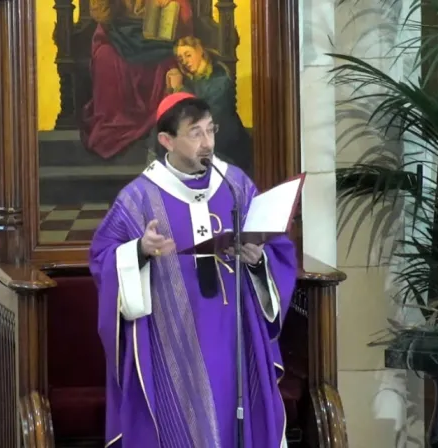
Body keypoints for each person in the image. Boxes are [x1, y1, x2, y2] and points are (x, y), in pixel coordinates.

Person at [90, 92, 297, 447]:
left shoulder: (236, 186)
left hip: (234, 335)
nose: (207, 143)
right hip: (170, 341)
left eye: (210, 130)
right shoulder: (139, 197)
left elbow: (276, 250)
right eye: (195, 133)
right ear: (166, 141)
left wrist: (257, 259)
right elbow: (101, 257)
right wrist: (139, 250)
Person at [82, 0, 194, 158]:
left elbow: (183, 15)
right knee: (105, 58)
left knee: (166, 61)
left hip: (154, 36)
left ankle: (157, 120)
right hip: (116, 32)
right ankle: (116, 121)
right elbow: (100, 12)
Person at [166, 36, 253, 173]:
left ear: (200, 51)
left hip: (225, 144)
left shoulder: (219, 79)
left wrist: (179, 89)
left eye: (188, 55)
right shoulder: (191, 81)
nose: (185, 62)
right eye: (181, 58)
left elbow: (205, 115)